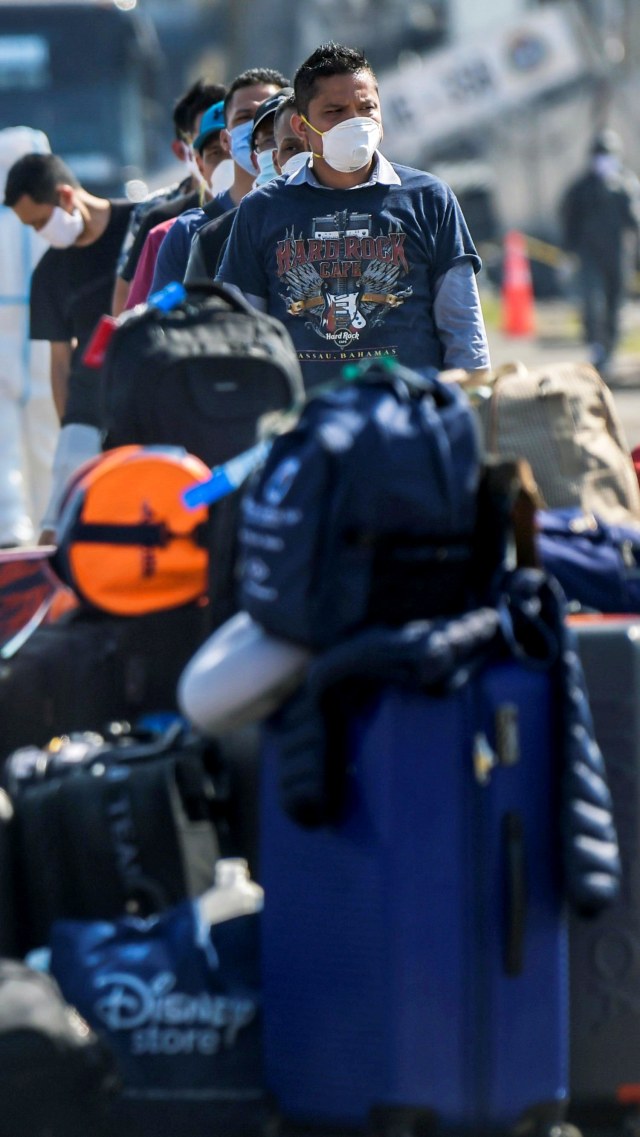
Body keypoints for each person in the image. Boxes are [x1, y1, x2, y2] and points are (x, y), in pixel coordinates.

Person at [217, 43, 490, 388]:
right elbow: (241, 338)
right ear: (303, 127)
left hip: (410, 422)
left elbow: (465, 337)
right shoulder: (262, 209)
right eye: (335, 111)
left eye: (366, 108)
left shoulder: (429, 199)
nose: (355, 121)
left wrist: (453, 402)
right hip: (307, 428)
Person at [4, 152, 133, 542]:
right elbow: (59, 365)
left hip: (151, 389)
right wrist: (70, 430)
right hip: (88, 406)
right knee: (59, 526)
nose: (42, 233)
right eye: (32, 228)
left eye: (41, 221)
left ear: (65, 195)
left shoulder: (143, 224)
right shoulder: (49, 273)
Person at [150, 67, 290, 295]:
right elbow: (169, 322)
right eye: (245, 117)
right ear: (226, 140)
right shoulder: (193, 233)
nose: (257, 129)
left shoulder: (323, 212)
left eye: (269, 116)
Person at [112, 79, 227, 315]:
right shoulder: (160, 220)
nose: (228, 155)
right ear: (187, 151)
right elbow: (130, 302)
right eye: (213, 146)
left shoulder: (268, 210)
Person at [0, 128, 58, 546]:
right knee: (43, 444)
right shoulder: (49, 216)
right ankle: (35, 532)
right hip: (39, 344)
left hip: (26, 343)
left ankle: (15, 529)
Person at [185, 87, 307, 284]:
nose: (301, 155)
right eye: (270, 140)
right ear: (256, 158)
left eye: (306, 139)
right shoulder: (216, 237)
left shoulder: (356, 213)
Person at [560, 129, 640, 378]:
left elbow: (634, 221)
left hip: (617, 256)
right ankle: (596, 348)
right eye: (600, 154)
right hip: (589, 256)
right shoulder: (581, 187)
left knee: (615, 305)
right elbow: (569, 220)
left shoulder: (626, 183)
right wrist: (568, 253)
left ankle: (609, 352)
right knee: (592, 304)